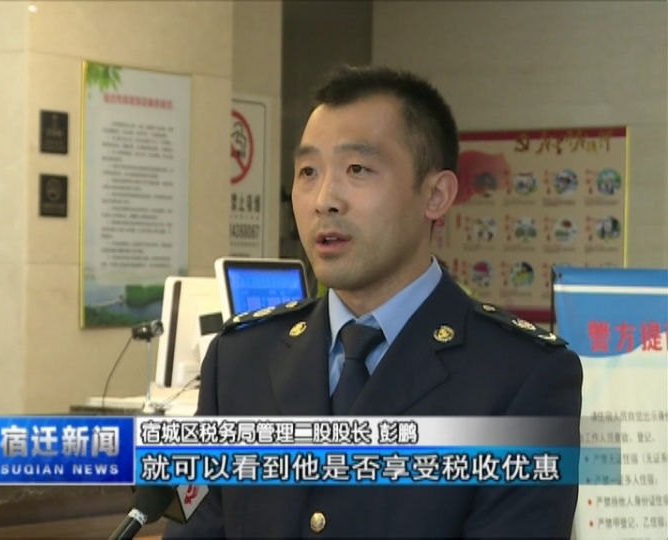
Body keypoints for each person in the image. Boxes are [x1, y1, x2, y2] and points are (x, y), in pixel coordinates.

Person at [165, 65, 582, 538]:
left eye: (357, 170)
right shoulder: (240, 360)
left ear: (436, 195)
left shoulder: (522, 377)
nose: (324, 200)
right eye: (308, 172)